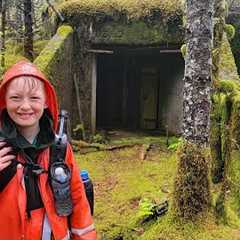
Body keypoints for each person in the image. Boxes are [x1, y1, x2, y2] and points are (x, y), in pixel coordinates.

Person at [0, 60, 97, 240]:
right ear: (4, 100)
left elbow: (78, 203)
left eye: (34, 98)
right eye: (16, 98)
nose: (25, 106)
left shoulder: (59, 149)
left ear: (46, 101)